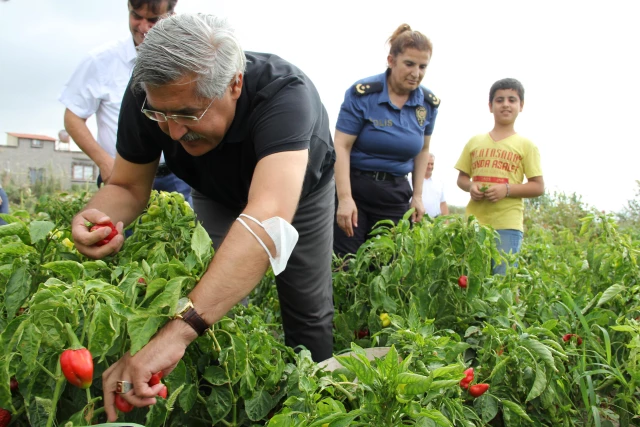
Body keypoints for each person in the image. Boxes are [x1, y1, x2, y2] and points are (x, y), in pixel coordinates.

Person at [69, 14, 335, 420]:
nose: (172, 133)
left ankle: (312, 407)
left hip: (296, 195)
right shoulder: (149, 95)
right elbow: (127, 186)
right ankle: (224, 396)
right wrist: (95, 218)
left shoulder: (285, 95)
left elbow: (268, 219)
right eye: (162, 116)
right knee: (218, 292)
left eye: (188, 115)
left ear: (235, 84)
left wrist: (177, 332)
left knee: (305, 306)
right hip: (215, 190)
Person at [59, 0, 193, 205]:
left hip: (176, 176)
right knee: (120, 236)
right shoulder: (101, 61)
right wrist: (104, 162)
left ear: (172, 16)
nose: (143, 26)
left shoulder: (186, 60)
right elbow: (73, 117)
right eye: (136, 16)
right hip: (123, 177)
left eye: (153, 20)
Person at [333, 23, 439, 258]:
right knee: (346, 267)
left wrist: (418, 196)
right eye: (409, 64)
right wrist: (344, 199)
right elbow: (341, 145)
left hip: (395, 195)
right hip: (356, 190)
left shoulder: (427, 104)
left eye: (423, 66)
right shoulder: (363, 94)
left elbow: (423, 150)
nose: (416, 73)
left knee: (386, 272)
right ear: (391, 60)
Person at [454, 78, 544, 275]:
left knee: (503, 281)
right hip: (474, 224)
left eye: (512, 100)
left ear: (521, 106)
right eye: (499, 100)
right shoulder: (475, 142)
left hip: (507, 224)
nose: (505, 104)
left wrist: (507, 189)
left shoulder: (526, 145)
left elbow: (538, 187)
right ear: (490, 106)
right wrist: (471, 187)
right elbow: (462, 179)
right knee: (473, 279)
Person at [420, 153, 448, 218]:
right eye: (427, 164)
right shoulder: (413, 181)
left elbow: (443, 203)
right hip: (418, 221)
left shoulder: (439, 182)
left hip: (435, 221)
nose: (430, 166)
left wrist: (446, 222)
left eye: (432, 164)